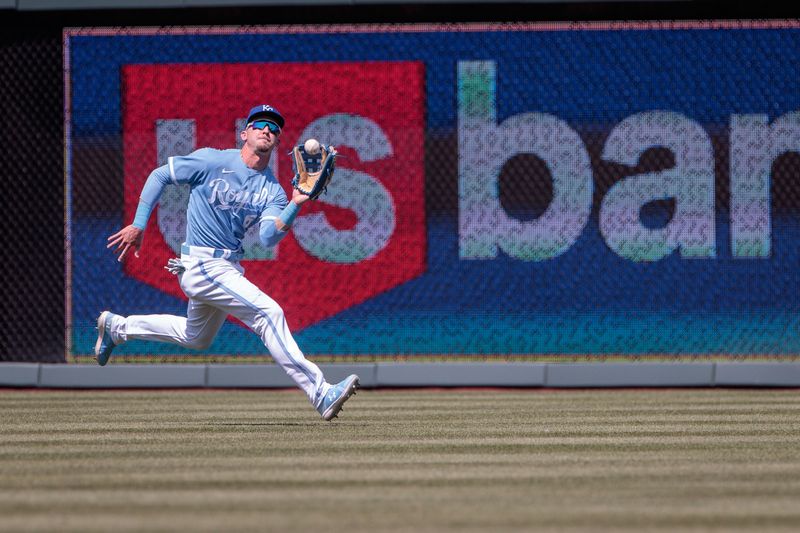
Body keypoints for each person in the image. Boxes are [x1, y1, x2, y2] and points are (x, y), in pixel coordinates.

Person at [94, 104, 358, 421]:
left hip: (226, 266)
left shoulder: (273, 189)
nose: (268, 131)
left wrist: (296, 203)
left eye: (274, 129)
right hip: (202, 263)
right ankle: (320, 392)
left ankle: (117, 328)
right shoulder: (213, 160)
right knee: (269, 313)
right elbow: (161, 174)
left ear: (277, 142)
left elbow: (268, 238)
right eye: (260, 124)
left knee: (196, 337)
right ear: (244, 133)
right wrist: (138, 224)